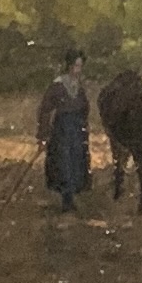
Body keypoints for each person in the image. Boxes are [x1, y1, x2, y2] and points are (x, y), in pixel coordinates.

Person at [37, 49, 93, 212]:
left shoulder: (79, 87)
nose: (78, 70)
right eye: (76, 66)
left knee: (77, 162)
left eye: (80, 66)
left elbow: (85, 107)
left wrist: (84, 124)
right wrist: (43, 134)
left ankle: (72, 196)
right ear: (69, 66)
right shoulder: (58, 85)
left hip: (77, 130)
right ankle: (66, 199)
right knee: (63, 163)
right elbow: (45, 110)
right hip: (62, 130)